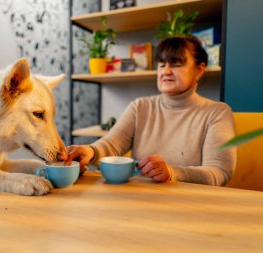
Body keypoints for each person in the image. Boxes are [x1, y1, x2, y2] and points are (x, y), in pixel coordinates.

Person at [63, 35, 236, 186]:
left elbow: (219, 173)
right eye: (161, 65)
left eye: (176, 64)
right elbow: (110, 145)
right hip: (139, 200)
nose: (166, 71)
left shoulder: (217, 113)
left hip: (191, 206)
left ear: (200, 70)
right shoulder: (140, 107)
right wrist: (90, 151)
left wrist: (172, 172)